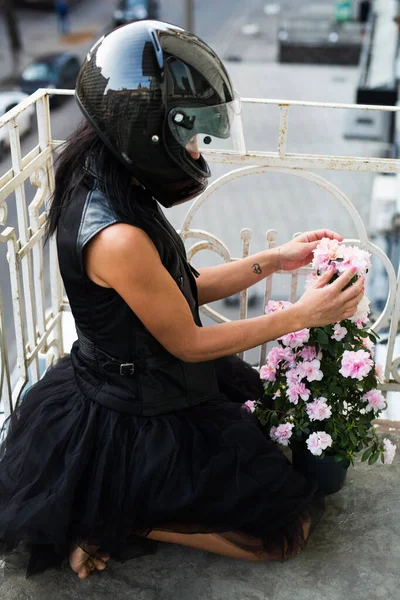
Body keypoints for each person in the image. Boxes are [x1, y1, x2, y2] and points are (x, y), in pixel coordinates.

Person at [0, 21, 364, 579]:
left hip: (144, 381)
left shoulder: (110, 179)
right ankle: (117, 513)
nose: (195, 149)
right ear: (145, 132)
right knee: (281, 538)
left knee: (272, 473)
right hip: (135, 412)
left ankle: (110, 510)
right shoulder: (116, 234)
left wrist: (279, 258)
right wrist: (304, 314)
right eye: (190, 134)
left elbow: (183, 287)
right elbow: (190, 342)